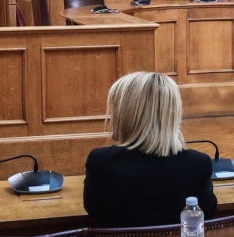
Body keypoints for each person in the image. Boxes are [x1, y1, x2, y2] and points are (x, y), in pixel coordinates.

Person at [83, 72, 217, 227]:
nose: (111, 117)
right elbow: (209, 213)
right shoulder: (199, 164)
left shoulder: (100, 162)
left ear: (127, 115)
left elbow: (92, 209)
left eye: (114, 110)